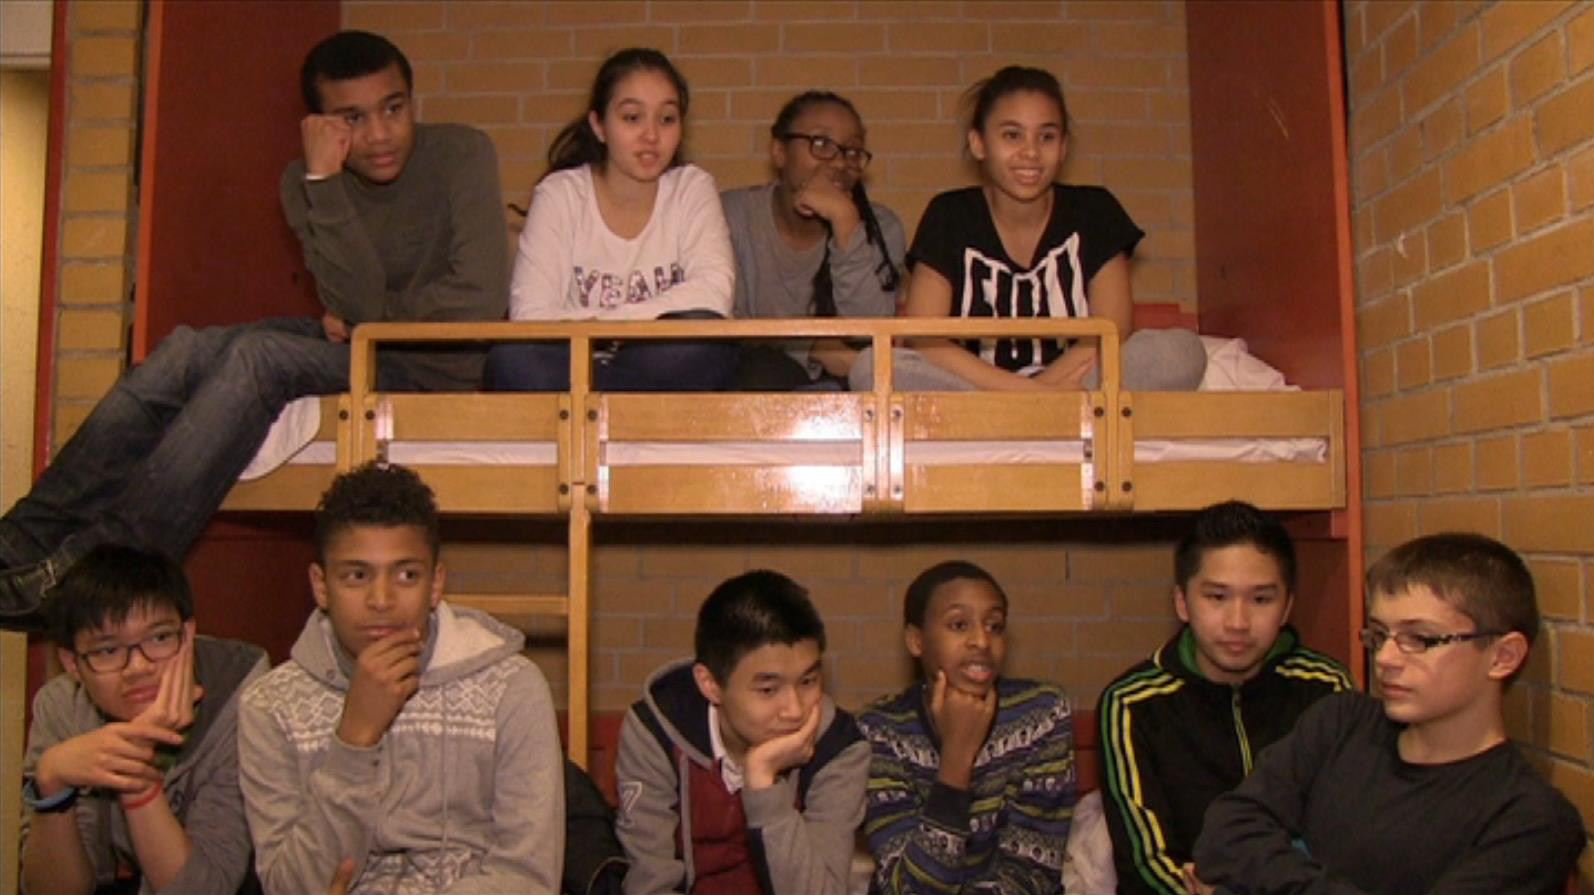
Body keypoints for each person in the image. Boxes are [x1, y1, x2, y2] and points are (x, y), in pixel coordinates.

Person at [0, 30, 508, 628]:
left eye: (393, 109)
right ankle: (18, 540)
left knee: (261, 358)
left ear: (412, 102)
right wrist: (324, 185)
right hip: (358, 346)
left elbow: (478, 300)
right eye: (353, 118)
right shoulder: (305, 182)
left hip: (435, 365)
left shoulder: (461, 154)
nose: (379, 134)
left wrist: (367, 318)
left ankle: (102, 569)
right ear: (320, 124)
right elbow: (356, 298)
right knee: (185, 349)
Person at [1189, 532, 1585, 895]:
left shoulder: (1531, 819)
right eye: (1379, 635)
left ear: (1502, 656)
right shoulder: (1342, 721)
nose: (1385, 658)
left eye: (1420, 638)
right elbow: (1225, 832)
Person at [237, 462, 563, 894]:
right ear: (321, 585)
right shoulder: (269, 705)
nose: (382, 600)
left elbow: (528, 878)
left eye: (407, 575)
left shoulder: (512, 688)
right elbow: (289, 887)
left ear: (436, 584)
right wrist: (354, 739)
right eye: (357, 576)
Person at [850, 65, 1205, 393]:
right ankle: (1039, 418)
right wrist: (1029, 397)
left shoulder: (1095, 210)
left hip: (1078, 383)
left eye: (1046, 137)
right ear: (978, 143)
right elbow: (926, 338)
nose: (1031, 152)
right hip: (979, 392)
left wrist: (1039, 397)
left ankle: (1026, 420)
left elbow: (1111, 332)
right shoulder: (949, 214)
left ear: (1063, 147)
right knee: (872, 367)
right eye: (1012, 135)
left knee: (1180, 352)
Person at [1096, 501, 1352, 895]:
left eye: (1261, 600)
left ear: (1287, 606)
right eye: (1217, 597)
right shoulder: (1132, 703)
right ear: (1182, 603)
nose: (1238, 622)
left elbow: (1351, 832)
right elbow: (1145, 863)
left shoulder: (1326, 688)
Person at [485, 48, 738, 393]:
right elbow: (531, 316)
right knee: (513, 359)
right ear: (599, 126)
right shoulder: (560, 194)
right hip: (571, 366)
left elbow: (713, 295)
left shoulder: (691, 187)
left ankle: (602, 405)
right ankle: (631, 408)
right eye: (632, 118)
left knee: (703, 342)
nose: (651, 135)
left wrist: (605, 325)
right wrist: (629, 329)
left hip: (655, 363)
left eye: (667, 119)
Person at [20, 544, 268, 895]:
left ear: (188, 634)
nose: (138, 667)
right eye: (108, 650)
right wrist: (52, 780)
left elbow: (205, 889)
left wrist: (135, 773)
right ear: (73, 663)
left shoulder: (244, 694)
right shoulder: (62, 706)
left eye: (159, 638)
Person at [613, 570, 868, 894]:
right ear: (710, 684)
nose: (794, 710)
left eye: (808, 681)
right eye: (768, 689)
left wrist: (762, 781)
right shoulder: (657, 732)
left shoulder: (838, 747)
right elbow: (649, 884)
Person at [858, 560, 1074, 893]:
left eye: (995, 626)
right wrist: (956, 760)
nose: (982, 641)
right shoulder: (881, 730)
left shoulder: (1041, 714)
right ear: (916, 640)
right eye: (959, 625)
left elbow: (1032, 874)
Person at [721, 90, 905, 390]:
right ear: (779, 151)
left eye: (852, 151)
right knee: (761, 370)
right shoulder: (731, 216)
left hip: (847, 389)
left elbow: (869, 332)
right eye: (820, 144)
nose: (840, 162)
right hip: (754, 382)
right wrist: (814, 347)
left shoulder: (882, 228)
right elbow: (724, 328)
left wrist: (845, 222)